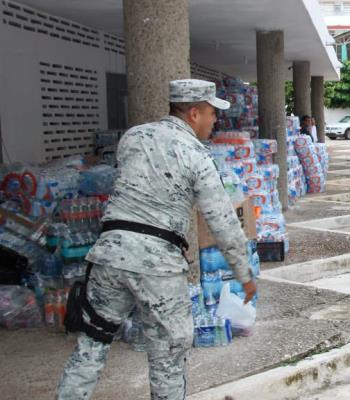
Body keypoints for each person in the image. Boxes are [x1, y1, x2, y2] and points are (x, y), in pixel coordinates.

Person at [57, 79, 258, 399]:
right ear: (194, 113)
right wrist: (245, 274)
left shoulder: (133, 137)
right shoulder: (197, 154)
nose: (214, 121)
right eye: (210, 113)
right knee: (167, 357)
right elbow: (222, 222)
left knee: (91, 345)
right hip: (158, 266)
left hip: (108, 256)